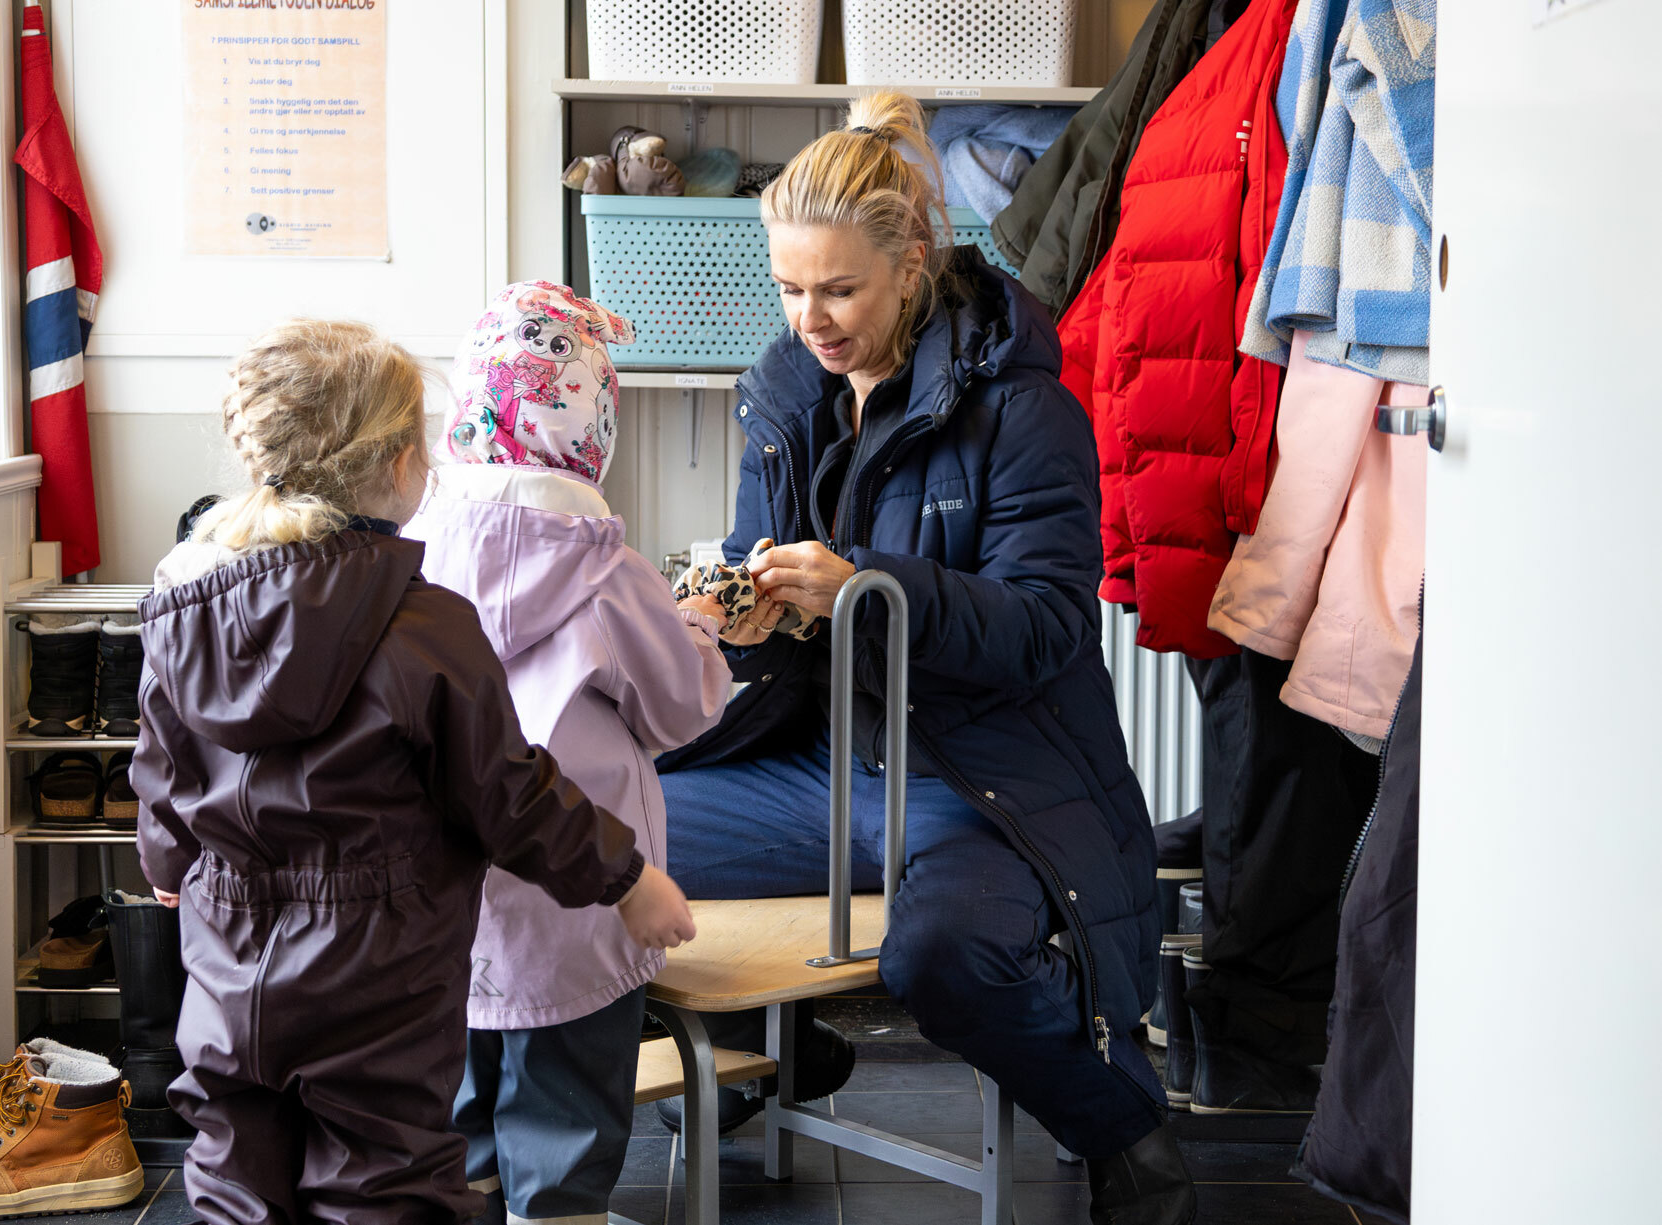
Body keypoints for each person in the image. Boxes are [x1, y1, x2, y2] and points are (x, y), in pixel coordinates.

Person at [654, 93, 1198, 1225]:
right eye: (790, 288)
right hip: (818, 771)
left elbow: (1046, 626)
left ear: (911, 262)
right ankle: (786, 1053)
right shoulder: (782, 392)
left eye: (839, 288)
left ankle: (1125, 1131)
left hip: (976, 781)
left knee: (943, 959)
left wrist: (866, 588)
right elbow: (771, 589)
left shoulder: (1025, 411)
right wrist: (751, 621)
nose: (811, 316)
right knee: (577, 841)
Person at [129, 318, 698, 1225]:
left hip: (227, 960)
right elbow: (512, 790)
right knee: (379, 1187)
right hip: (376, 980)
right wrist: (627, 879)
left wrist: (166, 865)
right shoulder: (423, 626)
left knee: (235, 1176)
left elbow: (160, 765)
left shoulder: (182, 605)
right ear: (398, 466)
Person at [405, 283, 733, 1225]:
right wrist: (701, 627)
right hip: (585, 897)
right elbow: (680, 705)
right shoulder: (604, 570)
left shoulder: (413, 552)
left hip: (450, 909)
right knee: (566, 1134)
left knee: (459, 1132)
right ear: (592, 427)